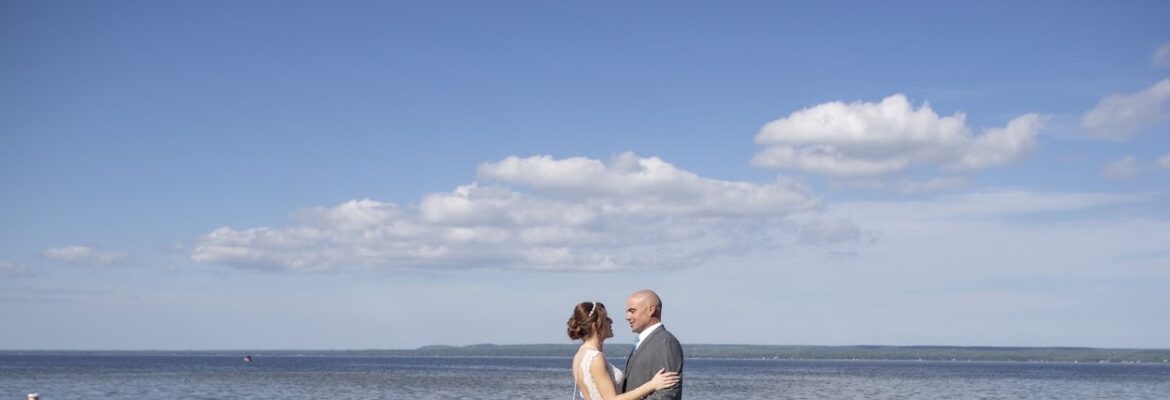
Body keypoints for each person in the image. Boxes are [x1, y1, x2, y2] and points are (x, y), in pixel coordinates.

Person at [568, 301, 679, 400]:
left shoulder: (579, 356)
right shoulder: (596, 358)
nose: (611, 321)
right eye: (606, 318)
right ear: (595, 325)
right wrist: (651, 385)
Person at [621, 290, 683, 400]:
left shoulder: (666, 342)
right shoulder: (643, 341)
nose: (627, 316)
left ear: (651, 310)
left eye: (632, 311)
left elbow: (667, 393)